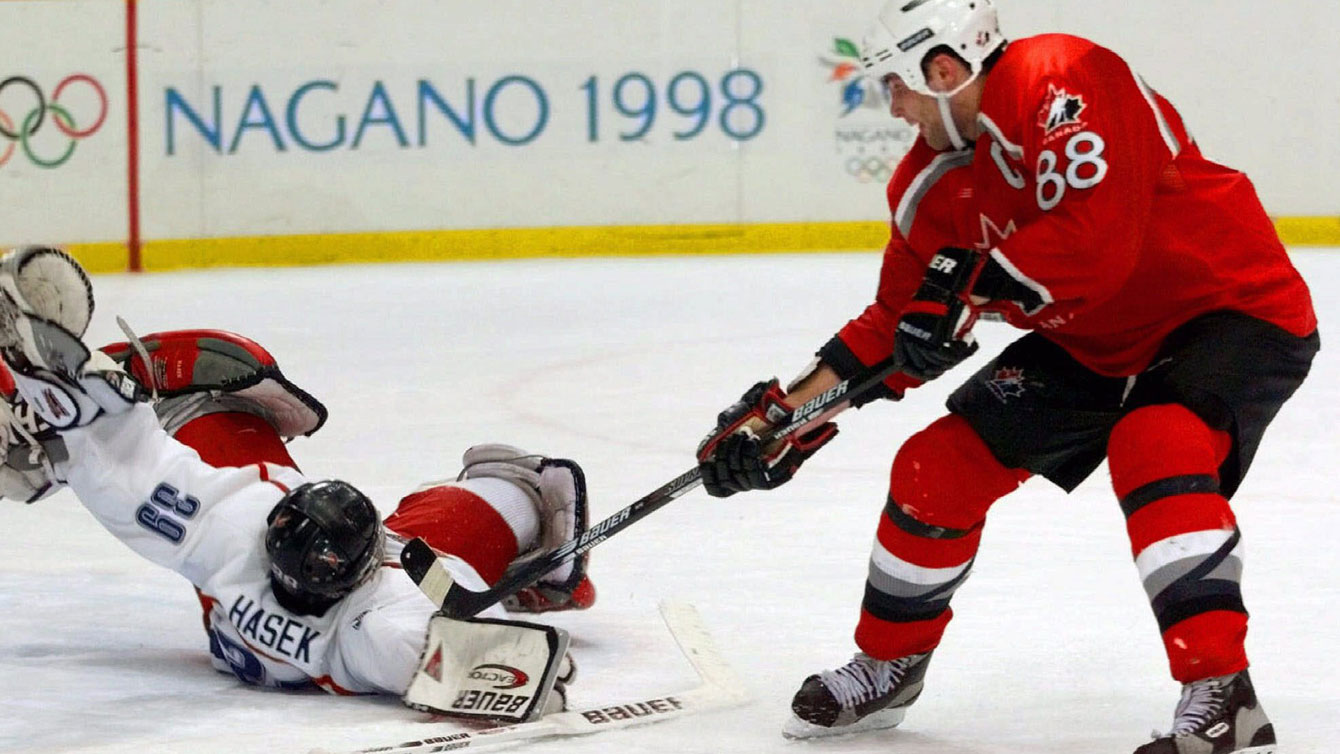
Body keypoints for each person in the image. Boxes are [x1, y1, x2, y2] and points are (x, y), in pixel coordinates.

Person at [696, 1, 1318, 752]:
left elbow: (1096, 245)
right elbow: (898, 319)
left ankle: (1223, 697)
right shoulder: (926, 184)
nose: (890, 107)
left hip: (1227, 308)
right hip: (1092, 342)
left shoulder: (1061, 77)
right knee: (933, 469)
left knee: (1157, 439)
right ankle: (888, 666)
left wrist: (970, 287)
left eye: (895, 86)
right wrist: (780, 418)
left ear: (945, 68)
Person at [0, 246, 594, 713]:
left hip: (239, 625)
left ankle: (204, 415)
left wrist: (73, 406)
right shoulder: (377, 622)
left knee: (202, 426)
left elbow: (133, 477)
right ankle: (531, 511)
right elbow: (470, 662)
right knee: (503, 499)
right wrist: (517, 668)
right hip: (325, 618)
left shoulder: (237, 539)